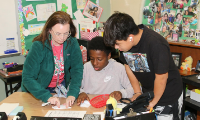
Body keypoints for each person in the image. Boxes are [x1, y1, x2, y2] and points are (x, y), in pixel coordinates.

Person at [103, 12, 183, 120]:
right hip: (149, 93)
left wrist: (153, 102)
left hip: (168, 94)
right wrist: (137, 92)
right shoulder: (126, 45)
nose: (117, 48)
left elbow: (161, 78)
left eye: (117, 44)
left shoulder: (156, 44)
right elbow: (128, 67)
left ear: (130, 37)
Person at [21, 11, 83, 108]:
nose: (62, 38)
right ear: (49, 30)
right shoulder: (38, 46)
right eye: (58, 33)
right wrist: (47, 96)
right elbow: (27, 77)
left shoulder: (72, 43)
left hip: (60, 88)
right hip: (39, 89)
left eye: (66, 33)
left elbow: (77, 70)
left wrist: (72, 93)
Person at [76, 36, 134, 105]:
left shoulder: (119, 68)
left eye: (99, 59)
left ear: (108, 56)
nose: (95, 63)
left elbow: (134, 90)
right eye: (91, 59)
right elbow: (71, 87)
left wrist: (121, 93)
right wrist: (81, 92)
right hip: (90, 106)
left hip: (111, 107)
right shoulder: (86, 68)